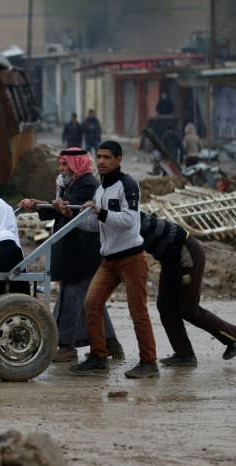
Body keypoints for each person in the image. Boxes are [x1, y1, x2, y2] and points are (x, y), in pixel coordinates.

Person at [18, 148, 124, 363]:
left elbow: (66, 208)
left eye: (65, 165)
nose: (61, 169)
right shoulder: (69, 184)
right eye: (60, 165)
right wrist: (35, 204)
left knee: (72, 297)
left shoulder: (86, 184)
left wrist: (44, 204)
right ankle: (111, 344)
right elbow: (58, 207)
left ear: (77, 164)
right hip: (73, 250)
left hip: (82, 252)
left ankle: (67, 346)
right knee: (91, 300)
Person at [71, 140, 159, 379]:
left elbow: (129, 220)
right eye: (98, 156)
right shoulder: (100, 190)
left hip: (131, 258)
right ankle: (99, 357)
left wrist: (100, 212)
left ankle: (149, 363)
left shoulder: (127, 184)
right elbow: (94, 225)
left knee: (138, 311)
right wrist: (72, 215)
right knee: (91, 303)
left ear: (119, 159)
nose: (101, 161)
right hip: (108, 260)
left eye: (107, 157)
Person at [139, 211, 236, 366]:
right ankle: (184, 355)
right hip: (169, 259)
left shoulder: (126, 219)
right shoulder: (114, 218)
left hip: (186, 255)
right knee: (165, 306)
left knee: (189, 310)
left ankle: (234, 335)